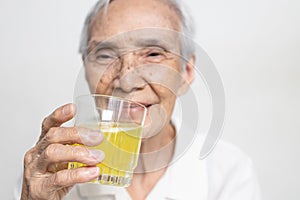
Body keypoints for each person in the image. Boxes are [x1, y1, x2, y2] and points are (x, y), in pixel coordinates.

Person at [18, 0, 262, 199]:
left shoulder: (229, 172)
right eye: (104, 55)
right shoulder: (51, 172)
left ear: (186, 72)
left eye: (154, 54)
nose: (127, 80)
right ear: (86, 69)